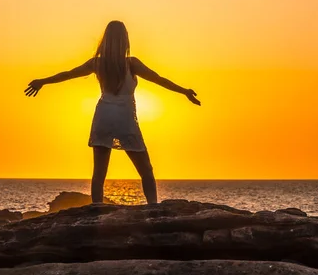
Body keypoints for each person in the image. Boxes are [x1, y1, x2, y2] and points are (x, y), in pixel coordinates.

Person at [24, 20, 201, 204]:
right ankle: (153, 209)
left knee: (99, 173)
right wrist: (184, 91)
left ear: (106, 40)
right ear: (125, 40)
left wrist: (42, 81)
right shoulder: (131, 64)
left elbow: (67, 74)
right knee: (146, 170)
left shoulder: (98, 63)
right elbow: (159, 79)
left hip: (103, 117)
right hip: (125, 120)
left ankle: (96, 210)